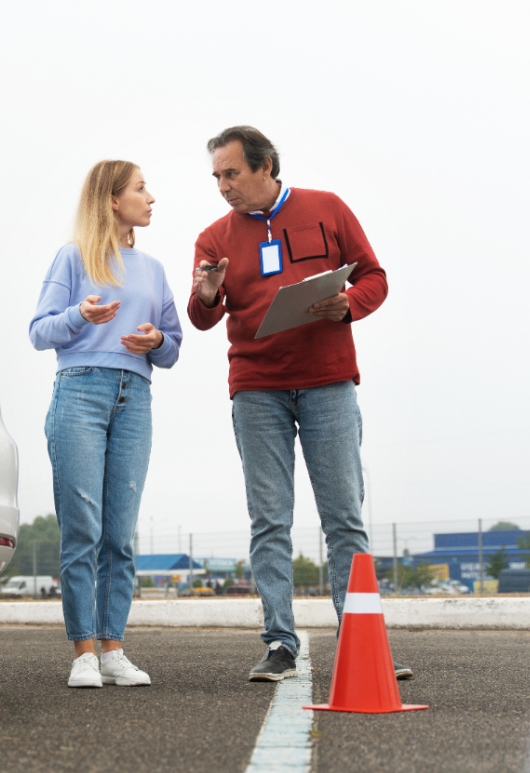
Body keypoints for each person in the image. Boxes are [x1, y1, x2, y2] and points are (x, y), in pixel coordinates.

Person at [187, 126, 412, 682]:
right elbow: (201, 316)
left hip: (328, 384)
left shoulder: (328, 208)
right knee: (270, 521)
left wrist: (349, 304)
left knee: (344, 517)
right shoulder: (213, 237)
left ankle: (363, 639)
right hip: (256, 389)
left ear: (266, 167)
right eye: (216, 176)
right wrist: (208, 294)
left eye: (231, 173)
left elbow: (375, 277)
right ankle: (280, 643)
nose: (223, 186)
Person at [30, 160, 183, 689]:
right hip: (80, 392)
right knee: (83, 531)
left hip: (134, 396)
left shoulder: (154, 269)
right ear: (113, 200)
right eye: (142, 188)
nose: (151, 197)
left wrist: (156, 342)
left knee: (119, 535)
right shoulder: (72, 257)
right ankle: (84, 654)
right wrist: (80, 316)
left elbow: (172, 345)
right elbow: (39, 331)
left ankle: (115, 648)